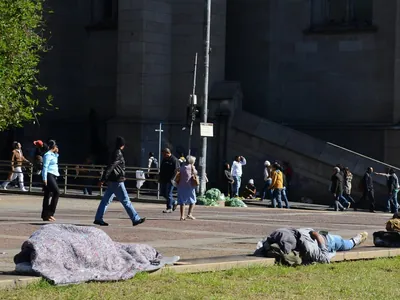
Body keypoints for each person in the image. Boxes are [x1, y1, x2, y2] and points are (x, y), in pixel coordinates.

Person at [94, 136, 146, 227]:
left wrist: (104, 178)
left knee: (105, 200)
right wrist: (103, 179)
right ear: (122, 145)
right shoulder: (118, 153)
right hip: (117, 181)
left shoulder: (114, 152)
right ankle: (135, 219)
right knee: (126, 201)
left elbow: (112, 166)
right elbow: (112, 166)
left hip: (113, 180)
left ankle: (98, 218)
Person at [41, 140, 60, 221]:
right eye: (56, 146)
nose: (57, 148)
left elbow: (56, 159)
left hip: (54, 174)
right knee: (56, 192)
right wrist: (44, 178)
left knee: (47, 194)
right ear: (53, 147)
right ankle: (50, 213)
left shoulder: (54, 155)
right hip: (49, 174)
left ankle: (45, 215)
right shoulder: (47, 155)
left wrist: (56, 153)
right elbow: (45, 167)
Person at [159, 148, 180, 213]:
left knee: (168, 194)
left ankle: (169, 207)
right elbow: (162, 168)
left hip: (171, 179)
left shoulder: (174, 160)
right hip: (163, 179)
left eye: (164, 154)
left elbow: (177, 170)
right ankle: (174, 202)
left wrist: (173, 179)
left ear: (168, 153)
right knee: (163, 193)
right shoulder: (164, 159)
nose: (163, 155)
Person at [177, 155, 198, 221]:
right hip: (190, 186)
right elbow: (195, 173)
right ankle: (189, 214)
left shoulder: (182, 167)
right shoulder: (192, 167)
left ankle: (182, 216)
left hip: (181, 186)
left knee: (182, 201)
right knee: (193, 200)